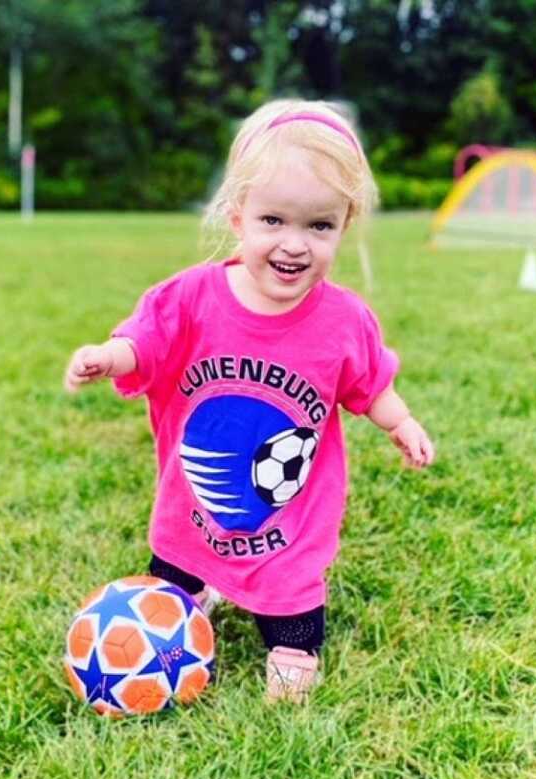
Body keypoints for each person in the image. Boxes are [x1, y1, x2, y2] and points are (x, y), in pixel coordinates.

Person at [63, 99, 435, 702]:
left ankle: (290, 641)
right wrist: (112, 357)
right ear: (238, 217)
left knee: (293, 615)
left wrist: (402, 421)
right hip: (192, 512)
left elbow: (371, 385)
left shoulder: (343, 320)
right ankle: (197, 593)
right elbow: (144, 341)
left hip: (288, 525)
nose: (295, 244)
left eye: (319, 226)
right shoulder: (191, 297)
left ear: (345, 225)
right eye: (273, 221)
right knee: (169, 591)